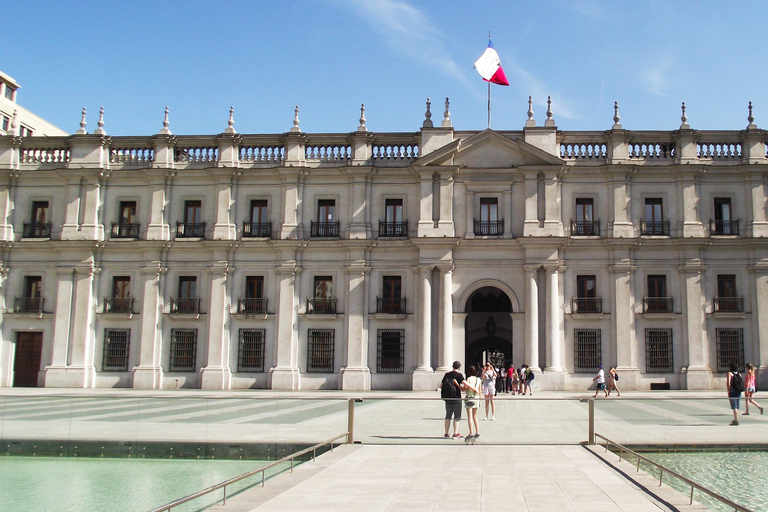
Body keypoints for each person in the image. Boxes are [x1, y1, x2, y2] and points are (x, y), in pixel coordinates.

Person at [439, 360, 465, 438]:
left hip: (448, 398)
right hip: (456, 398)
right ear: (459, 367)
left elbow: (441, 386)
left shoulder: (447, 375)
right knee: (457, 417)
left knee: (448, 416)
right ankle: (455, 433)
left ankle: (446, 433)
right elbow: (464, 384)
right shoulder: (459, 375)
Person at [463, 365, 482, 438]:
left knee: (470, 417)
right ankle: (477, 432)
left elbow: (465, 387)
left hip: (469, 398)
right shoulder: (478, 380)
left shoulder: (468, 379)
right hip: (476, 398)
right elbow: (480, 391)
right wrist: (480, 400)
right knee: (475, 416)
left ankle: (471, 432)